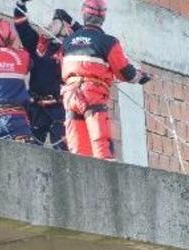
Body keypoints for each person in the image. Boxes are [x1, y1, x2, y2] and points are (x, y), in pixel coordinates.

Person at [60, 0, 152, 159]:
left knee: (78, 150)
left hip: (70, 96)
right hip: (92, 95)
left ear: (84, 13)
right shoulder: (108, 42)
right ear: (103, 18)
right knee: (101, 143)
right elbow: (126, 73)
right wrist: (140, 77)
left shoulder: (68, 41)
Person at [14, 0, 75, 149]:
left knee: (63, 150)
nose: (49, 24)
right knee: (30, 148)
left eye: (55, 21)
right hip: (37, 107)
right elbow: (21, 25)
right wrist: (20, 4)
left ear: (64, 27)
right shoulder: (37, 45)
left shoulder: (72, 49)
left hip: (60, 109)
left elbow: (91, 38)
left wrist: (71, 21)